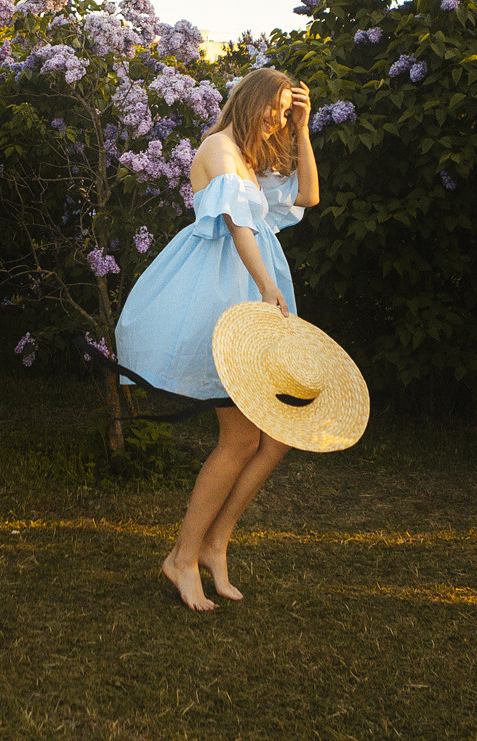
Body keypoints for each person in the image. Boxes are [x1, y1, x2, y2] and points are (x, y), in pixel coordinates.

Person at [112, 66, 319, 611]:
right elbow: (237, 227)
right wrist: (269, 289)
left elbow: (310, 196)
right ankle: (183, 556)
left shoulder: (251, 159)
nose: (278, 117)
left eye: (285, 109)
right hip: (224, 301)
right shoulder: (219, 149)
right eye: (275, 108)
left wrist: (304, 128)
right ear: (249, 101)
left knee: (275, 436)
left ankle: (214, 544)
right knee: (240, 437)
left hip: (253, 295)